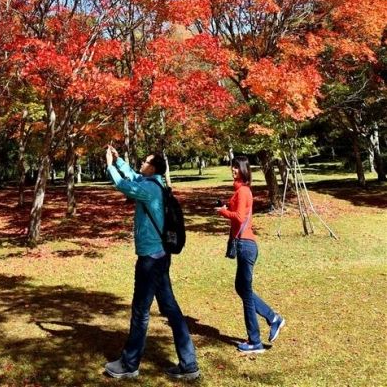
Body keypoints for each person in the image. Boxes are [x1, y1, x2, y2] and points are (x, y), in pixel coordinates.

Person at [104, 145, 200, 381]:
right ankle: (189, 364)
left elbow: (124, 185)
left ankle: (129, 363)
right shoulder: (156, 184)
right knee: (170, 309)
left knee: (140, 311)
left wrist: (108, 166)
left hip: (150, 259)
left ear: (153, 167)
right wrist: (119, 161)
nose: (141, 164)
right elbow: (134, 177)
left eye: (145, 162)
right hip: (161, 255)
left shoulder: (148, 189)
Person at [215, 155, 285, 353]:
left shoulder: (244, 191)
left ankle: (256, 340)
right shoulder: (239, 191)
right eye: (233, 166)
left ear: (244, 170)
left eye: (237, 167)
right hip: (244, 244)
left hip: (246, 245)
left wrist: (222, 212)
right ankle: (273, 318)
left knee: (245, 293)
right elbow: (237, 212)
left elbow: (239, 217)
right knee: (241, 287)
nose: (233, 170)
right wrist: (226, 207)